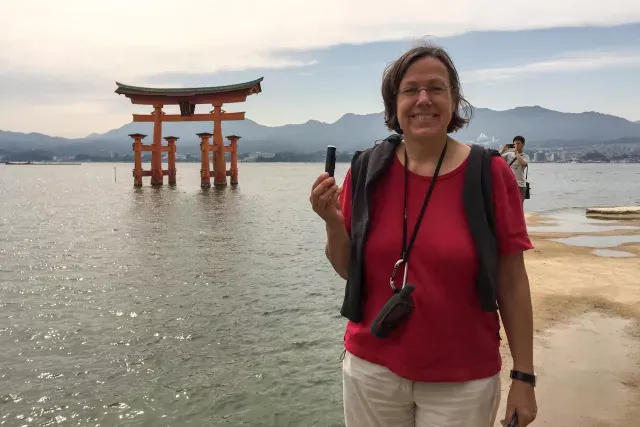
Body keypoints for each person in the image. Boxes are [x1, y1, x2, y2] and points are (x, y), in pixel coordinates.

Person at [309, 43, 537, 427]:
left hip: (462, 379)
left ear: (454, 101)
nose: (424, 100)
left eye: (437, 88)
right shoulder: (367, 170)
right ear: (393, 104)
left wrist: (524, 377)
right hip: (371, 367)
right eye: (411, 90)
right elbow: (350, 271)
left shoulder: (490, 174)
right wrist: (333, 223)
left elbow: (512, 282)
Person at [500, 136, 529, 204]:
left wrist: (516, 153)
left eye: (518, 143)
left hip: (520, 185)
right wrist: (503, 149)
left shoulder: (525, 156)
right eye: (515, 144)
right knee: (509, 205)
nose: (516, 145)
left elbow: (523, 164)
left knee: (519, 206)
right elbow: (497, 157)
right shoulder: (509, 154)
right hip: (509, 184)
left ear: (523, 144)